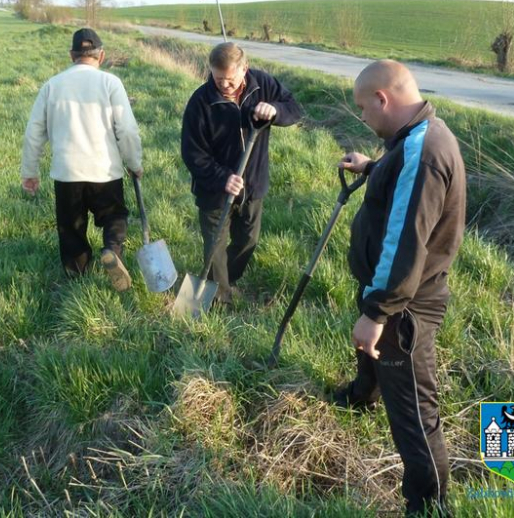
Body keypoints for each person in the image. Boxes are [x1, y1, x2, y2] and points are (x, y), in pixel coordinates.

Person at [333, 60, 466, 516]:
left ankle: (428, 504)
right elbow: (403, 183)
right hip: (390, 292)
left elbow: (405, 242)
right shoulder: (415, 137)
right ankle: (362, 395)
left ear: (382, 99)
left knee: (414, 413)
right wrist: (374, 167)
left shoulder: (423, 153)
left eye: (362, 109)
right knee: (373, 364)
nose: (362, 118)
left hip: (404, 306)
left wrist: (377, 312)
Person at [20, 28, 143, 291]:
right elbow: (127, 130)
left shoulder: (52, 85)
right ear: (102, 55)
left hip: (66, 173)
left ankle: (76, 277)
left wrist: (30, 172)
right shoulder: (111, 83)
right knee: (114, 217)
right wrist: (134, 163)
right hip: (105, 171)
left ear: (71, 55)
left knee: (71, 228)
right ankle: (112, 251)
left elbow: (33, 133)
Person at [181, 42, 302, 304]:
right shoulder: (201, 102)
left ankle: (227, 279)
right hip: (213, 190)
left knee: (248, 240)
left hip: (253, 184)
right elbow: (192, 153)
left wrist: (275, 110)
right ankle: (220, 298)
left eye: (230, 79)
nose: (224, 85)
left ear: (244, 69)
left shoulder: (263, 85)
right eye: (218, 78)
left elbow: (294, 108)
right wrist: (222, 178)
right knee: (215, 247)